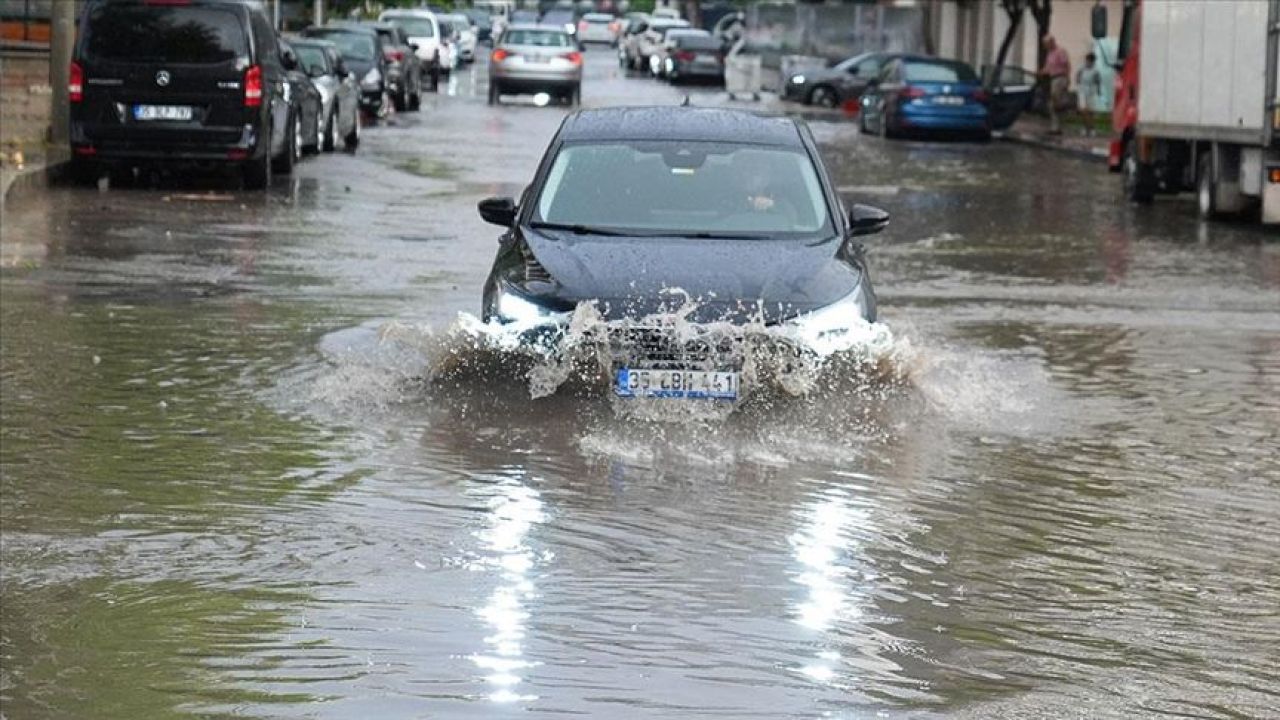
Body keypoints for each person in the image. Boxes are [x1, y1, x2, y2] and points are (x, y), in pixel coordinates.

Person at [1039, 34, 1071, 135]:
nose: (1045, 46)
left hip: (1060, 78)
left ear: (1052, 42)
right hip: (1052, 79)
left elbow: (1066, 65)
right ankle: (1055, 127)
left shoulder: (1060, 51)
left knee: (1056, 102)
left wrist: (1067, 78)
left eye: (1046, 44)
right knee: (1053, 104)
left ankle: (1058, 126)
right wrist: (1041, 72)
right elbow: (1048, 67)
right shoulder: (1050, 54)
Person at [1076, 52, 1104, 136]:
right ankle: (1085, 127)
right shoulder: (1082, 68)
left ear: (1093, 61)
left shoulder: (1095, 71)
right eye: (1086, 60)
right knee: (1083, 111)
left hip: (1091, 91)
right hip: (1082, 91)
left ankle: (1091, 128)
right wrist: (1078, 84)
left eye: (1089, 61)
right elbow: (1078, 77)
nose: (1087, 62)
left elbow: (1098, 81)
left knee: (1090, 111)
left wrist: (1098, 91)